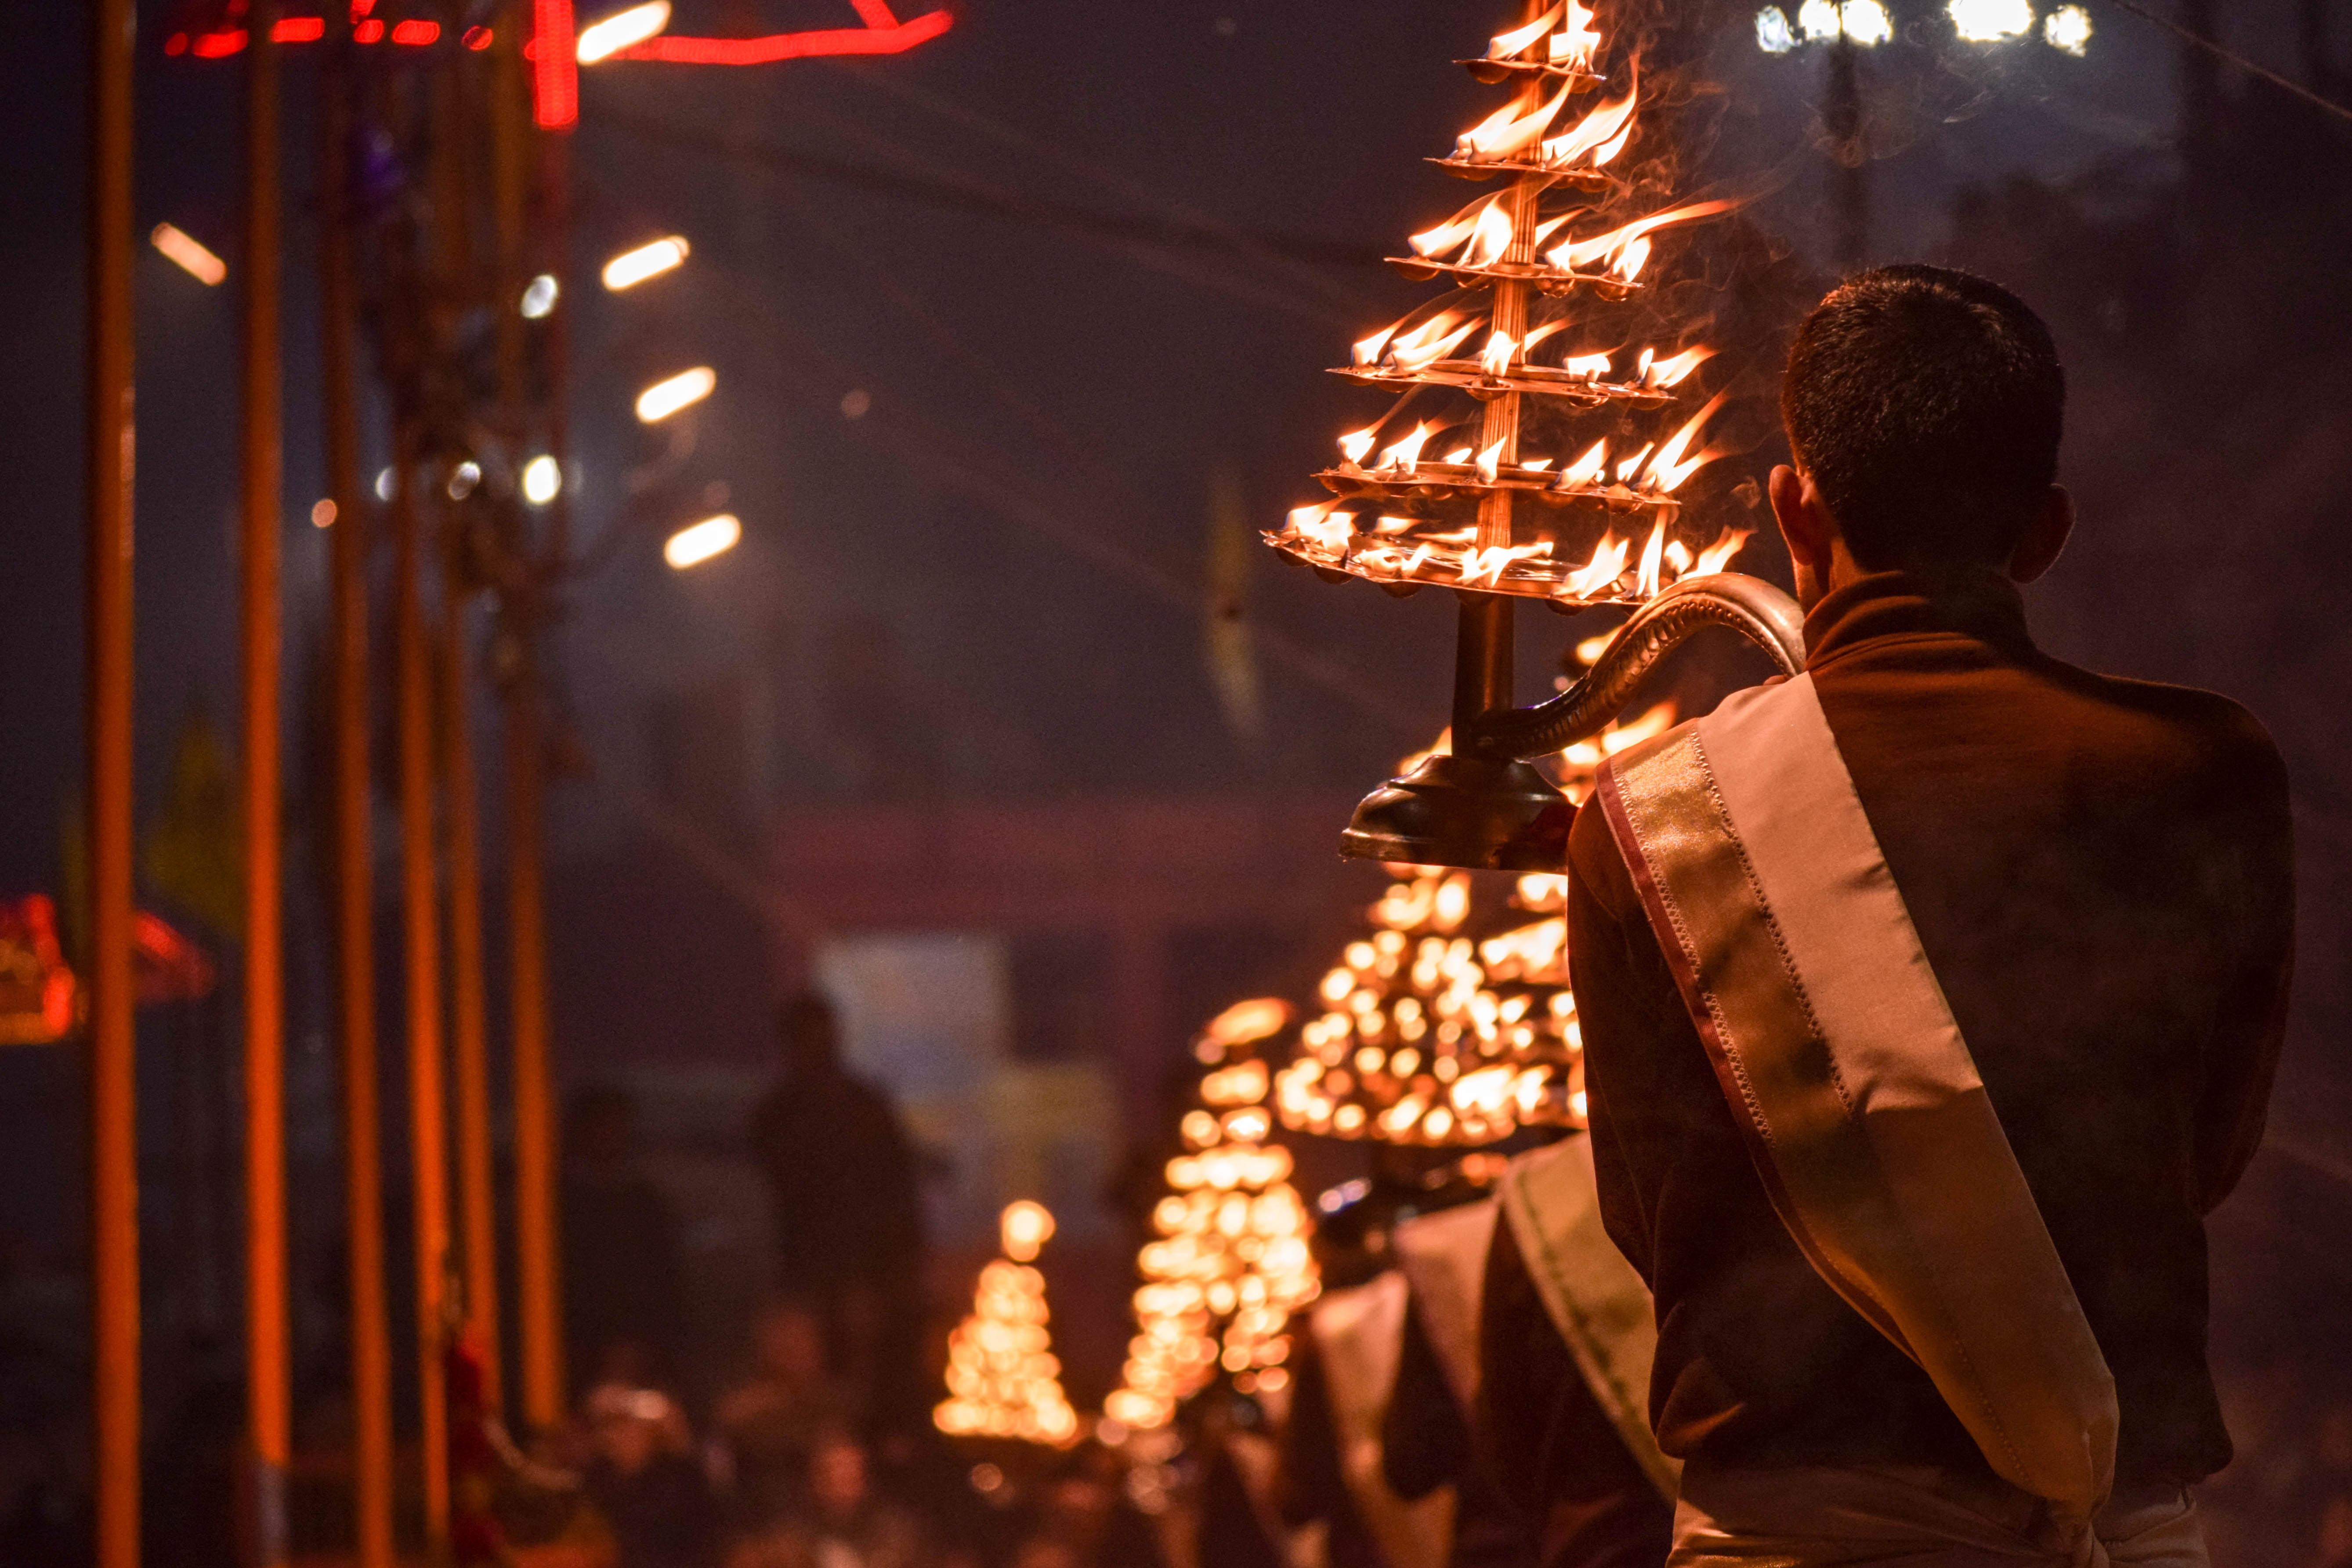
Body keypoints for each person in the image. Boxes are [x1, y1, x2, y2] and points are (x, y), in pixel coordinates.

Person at [1567, 266, 2292, 1564]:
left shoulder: (1652, 815)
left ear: (1792, 508)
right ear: (2041, 532)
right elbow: (2207, 1150)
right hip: (2114, 1516)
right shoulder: (2197, 771)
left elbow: (1638, 1209)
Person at [748, 994, 925, 1391]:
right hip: (808, 1263)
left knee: (870, 1367)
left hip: (867, 1261)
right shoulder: (780, 1113)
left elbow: (895, 1183)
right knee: (811, 1372)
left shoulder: (862, 1105)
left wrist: (898, 1258)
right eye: (806, 1036)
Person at [563, 1086, 692, 1394]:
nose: (610, 1135)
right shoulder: (559, 1207)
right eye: (601, 1125)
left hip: (640, 1346)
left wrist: (640, 1344)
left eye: (617, 1125)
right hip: (577, 1343)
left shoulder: (644, 1204)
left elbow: (663, 1281)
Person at [714, 1298, 857, 1529]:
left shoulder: (834, 1403)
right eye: (788, 1341)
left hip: (833, 1523)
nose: (799, 1350)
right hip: (765, 1524)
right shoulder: (747, 1409)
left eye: (806, 1339)